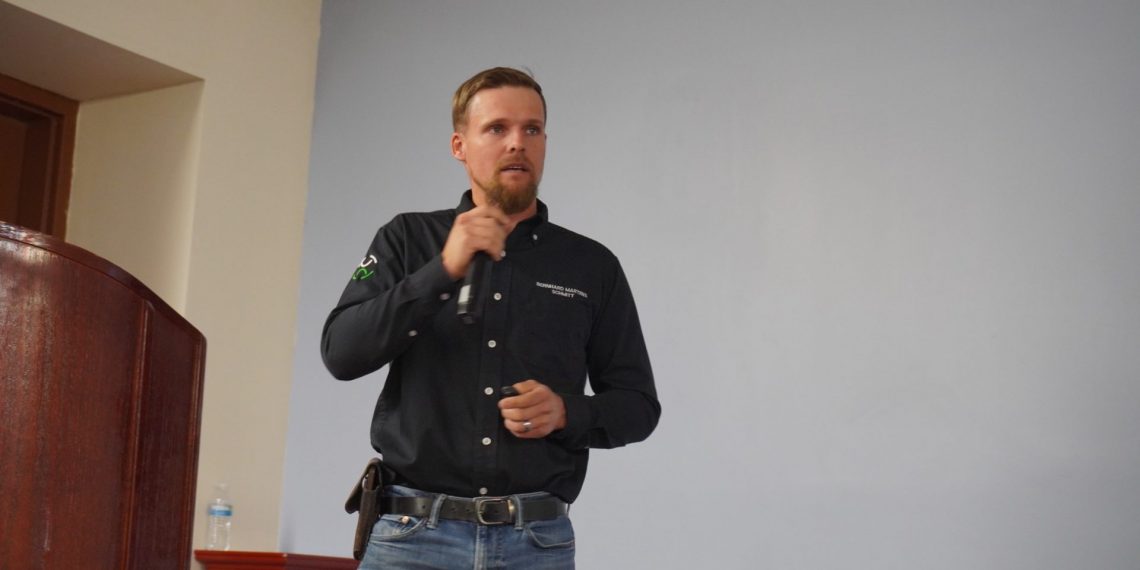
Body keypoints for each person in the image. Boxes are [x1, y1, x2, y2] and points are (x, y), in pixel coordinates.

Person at [321, 67, 660, 569]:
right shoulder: (407, 239)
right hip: (412, 539)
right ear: (459, 145)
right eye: (497, 128)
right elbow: (341, 353)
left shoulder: (592, 265)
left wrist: (566, 413)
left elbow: (638, 406)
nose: (517, 143)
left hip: (536, 543)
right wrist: (442, 270)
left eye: (532, 129)